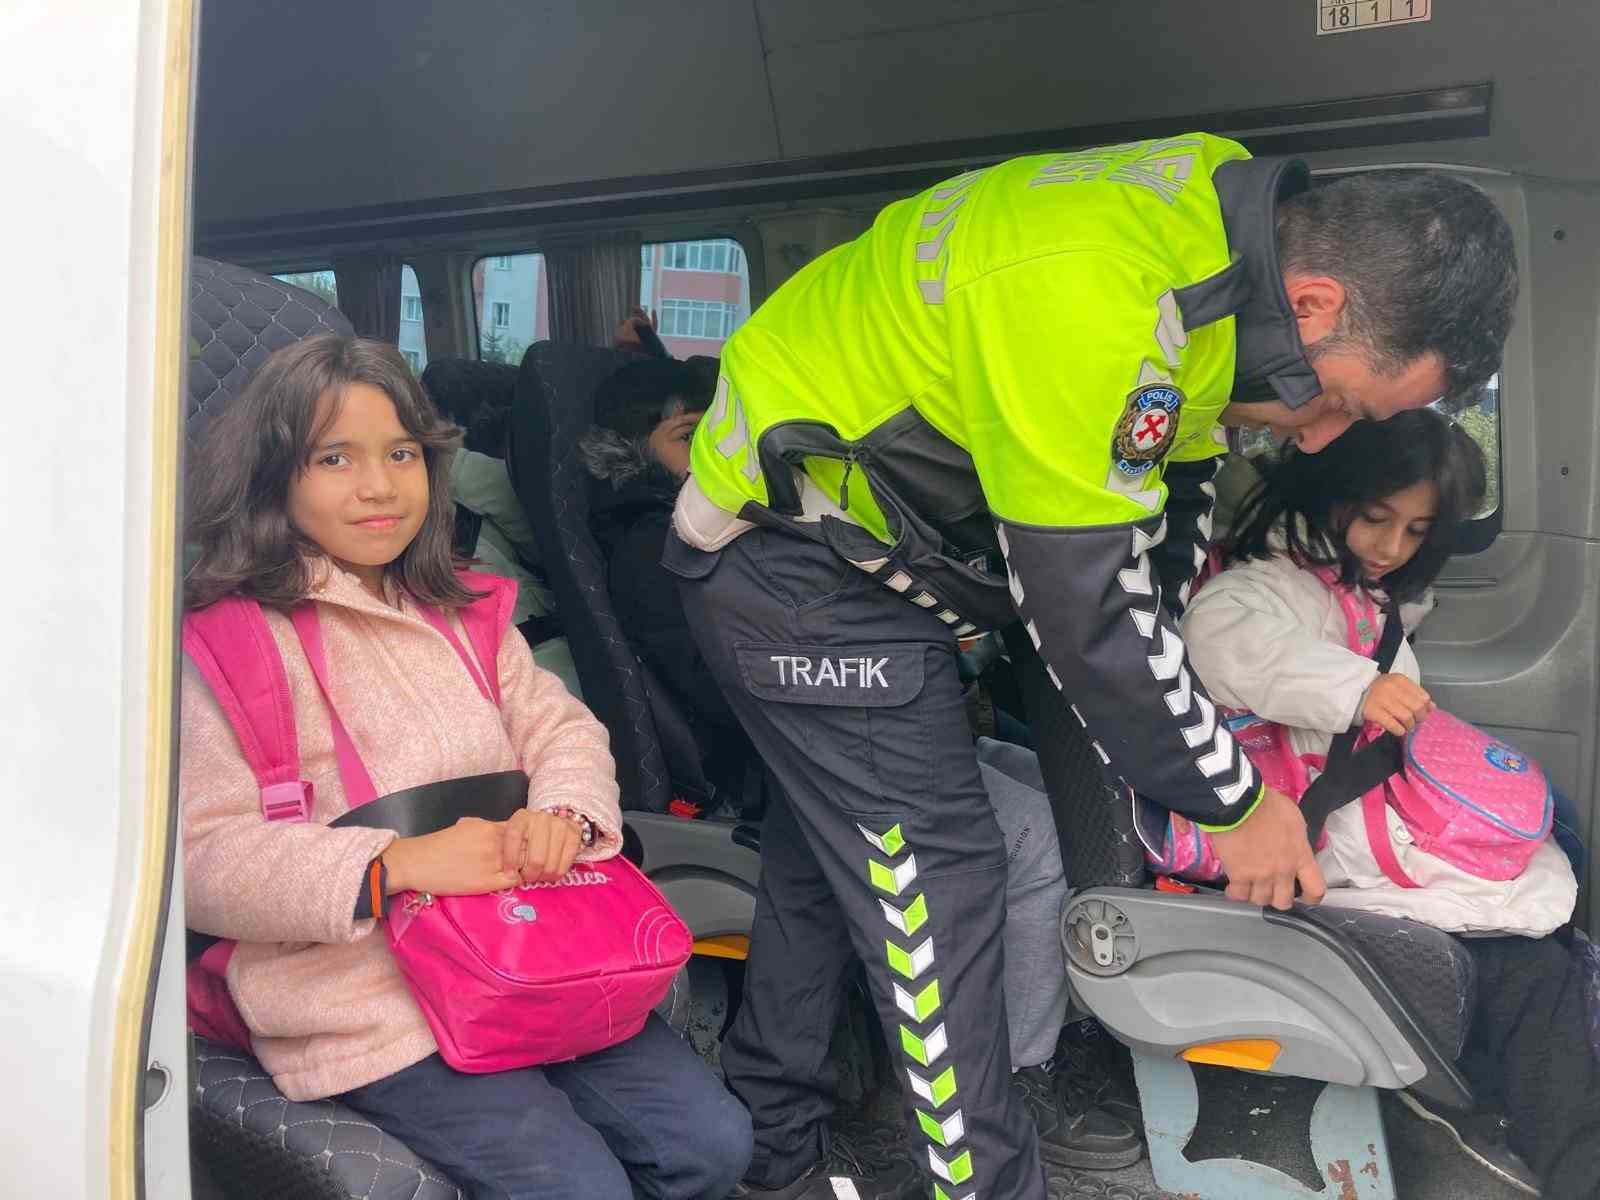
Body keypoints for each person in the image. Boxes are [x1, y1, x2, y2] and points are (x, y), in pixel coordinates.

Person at [665, 134, 1519, 1200]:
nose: (1319, 440)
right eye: (1342, 400)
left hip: (858, 566)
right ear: (1309, 305)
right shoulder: (1096, 298)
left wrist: (1193, 723)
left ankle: (770, 1142)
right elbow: (1084, 611)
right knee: (940, 877)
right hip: (790, 565)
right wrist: (1232, 798)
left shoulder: (1215, 238)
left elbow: (1154, 537)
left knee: (824, 854)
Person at [180, 334, 752, 1200]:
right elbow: (200, 859)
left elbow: (563, 730)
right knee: (577, 1187)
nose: (379, 486)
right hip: (367, 992)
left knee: (712, 1146)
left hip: (526, 949)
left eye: (401, 454)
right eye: (335, 457)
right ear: (273, 474)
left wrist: (563, 815)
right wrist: (393, 864)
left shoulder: (466, 607)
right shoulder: (228, 644)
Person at [579, 361, 1132, 1189]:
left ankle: (784, 1136)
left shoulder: (761, 525)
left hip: (827, 735)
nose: (718, 449)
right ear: (630, 450)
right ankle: (1015, 1075)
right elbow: (734, 693)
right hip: (771, 755)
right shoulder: (660, 551)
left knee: (1007, 780)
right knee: (1017, 835)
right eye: (688, 437)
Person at [1180, 411, 1599, 1198]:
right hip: (1312, 842)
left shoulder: (1365, 593)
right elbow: (1223, 638)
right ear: (1334, 493)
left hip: (1364, 825)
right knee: (1530, 969)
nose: (1389, 547)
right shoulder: (1270, 584)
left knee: (1559, 837)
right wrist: (1359, 688)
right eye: (1375, 518)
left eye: (1415, 531)